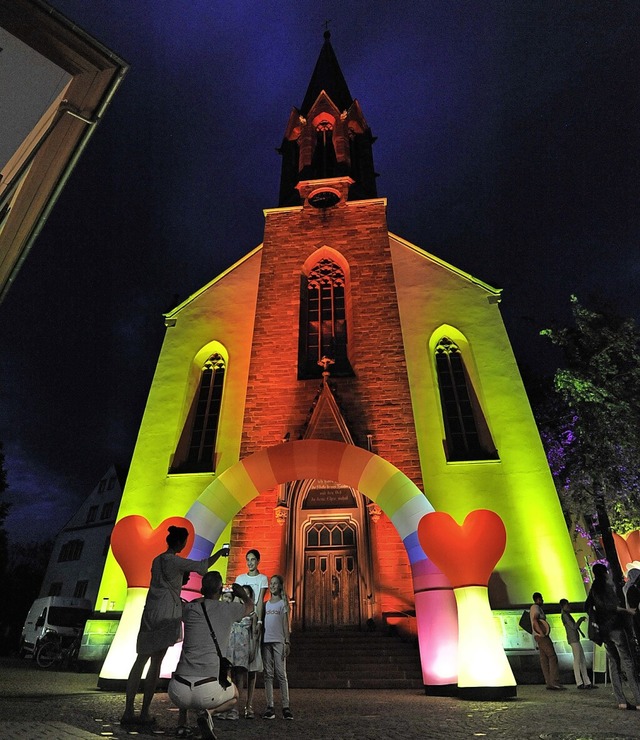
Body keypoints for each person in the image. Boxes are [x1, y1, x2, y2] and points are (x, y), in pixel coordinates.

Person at [120, 526, 229, 727]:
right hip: (167, 613)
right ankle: (144, 712)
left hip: (150, 610)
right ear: (180, 543)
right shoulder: (175, 561)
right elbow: (202, 565)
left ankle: (128, 710)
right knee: (155, 663)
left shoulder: (157, 560)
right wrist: (220, 554)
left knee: (139, 661)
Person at [168, 572, 253, 739]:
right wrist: (242, 594)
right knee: (235, 696)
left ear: (201, 589)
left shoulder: (190, 609)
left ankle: (182, 724)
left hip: (178, 690)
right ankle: (208, 713)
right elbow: (250, 607)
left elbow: (190, 604)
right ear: (220, 590)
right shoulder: (228, 609)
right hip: (207, 689)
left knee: (187, 667)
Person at [586, 563, 640, 710]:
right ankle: (638, 698)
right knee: (627, 662)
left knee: (613, 664)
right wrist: (626, 610)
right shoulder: (606, 586)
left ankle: (620, 700)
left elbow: (587, 606)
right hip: (615, 627)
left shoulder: (593, 589)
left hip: (604, 631)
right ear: (604, 573)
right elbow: (610, 606)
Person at [217, 584, 261, 721]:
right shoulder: (232, 610)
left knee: (240, 678)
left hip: (243, 647)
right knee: (227, 677)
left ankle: (235, 708)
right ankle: (224, 707)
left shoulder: (252, 613)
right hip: (229, 646)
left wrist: (253, 650)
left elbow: (254, 634)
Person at [233, 548, 268, 718]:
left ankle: (249, 704)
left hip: (253, 622)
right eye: (248, 559)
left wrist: (259, 621)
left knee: (252, 665)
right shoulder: (240, 579)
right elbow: (235, 600)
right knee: (238, 666)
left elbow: (259, 601)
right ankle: (234, 705)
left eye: (253, 559)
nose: (250, 562)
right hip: (240, 625)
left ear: (258, 561)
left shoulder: (262, 579)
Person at [262, 574, 293, 720]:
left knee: (281, 674)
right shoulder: (266, 604)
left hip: (279, 641)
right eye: (271, 583)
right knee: (268, 674)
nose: (272, 585)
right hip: (266, 641)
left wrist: (287, 641)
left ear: (280, 586)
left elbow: (285, 624)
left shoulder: (282, 604)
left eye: (275, 583)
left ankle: (285, 706)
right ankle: (270, 706)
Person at [530, 592, 564, 690]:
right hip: (542, 636)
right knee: (552, 656)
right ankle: (554, 681)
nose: (543, 601)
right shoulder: (535, 608)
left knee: (544, 659)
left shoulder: (534, 608)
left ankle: (549, 681)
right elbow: (535, 620)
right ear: (538, 599)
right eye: (541, 599)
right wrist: (541, 633)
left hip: (538, 636)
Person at [559, 598, 595, 690]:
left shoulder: (566, 614)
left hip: (574, 639)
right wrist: (580, 620)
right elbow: (574, 626)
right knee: (578, 660)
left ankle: (586, 682)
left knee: (581, 660)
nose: (569, 606)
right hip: (573, 639)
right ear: (563, 606)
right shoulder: (565, 615)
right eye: (567, 605)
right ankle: (579, 682)